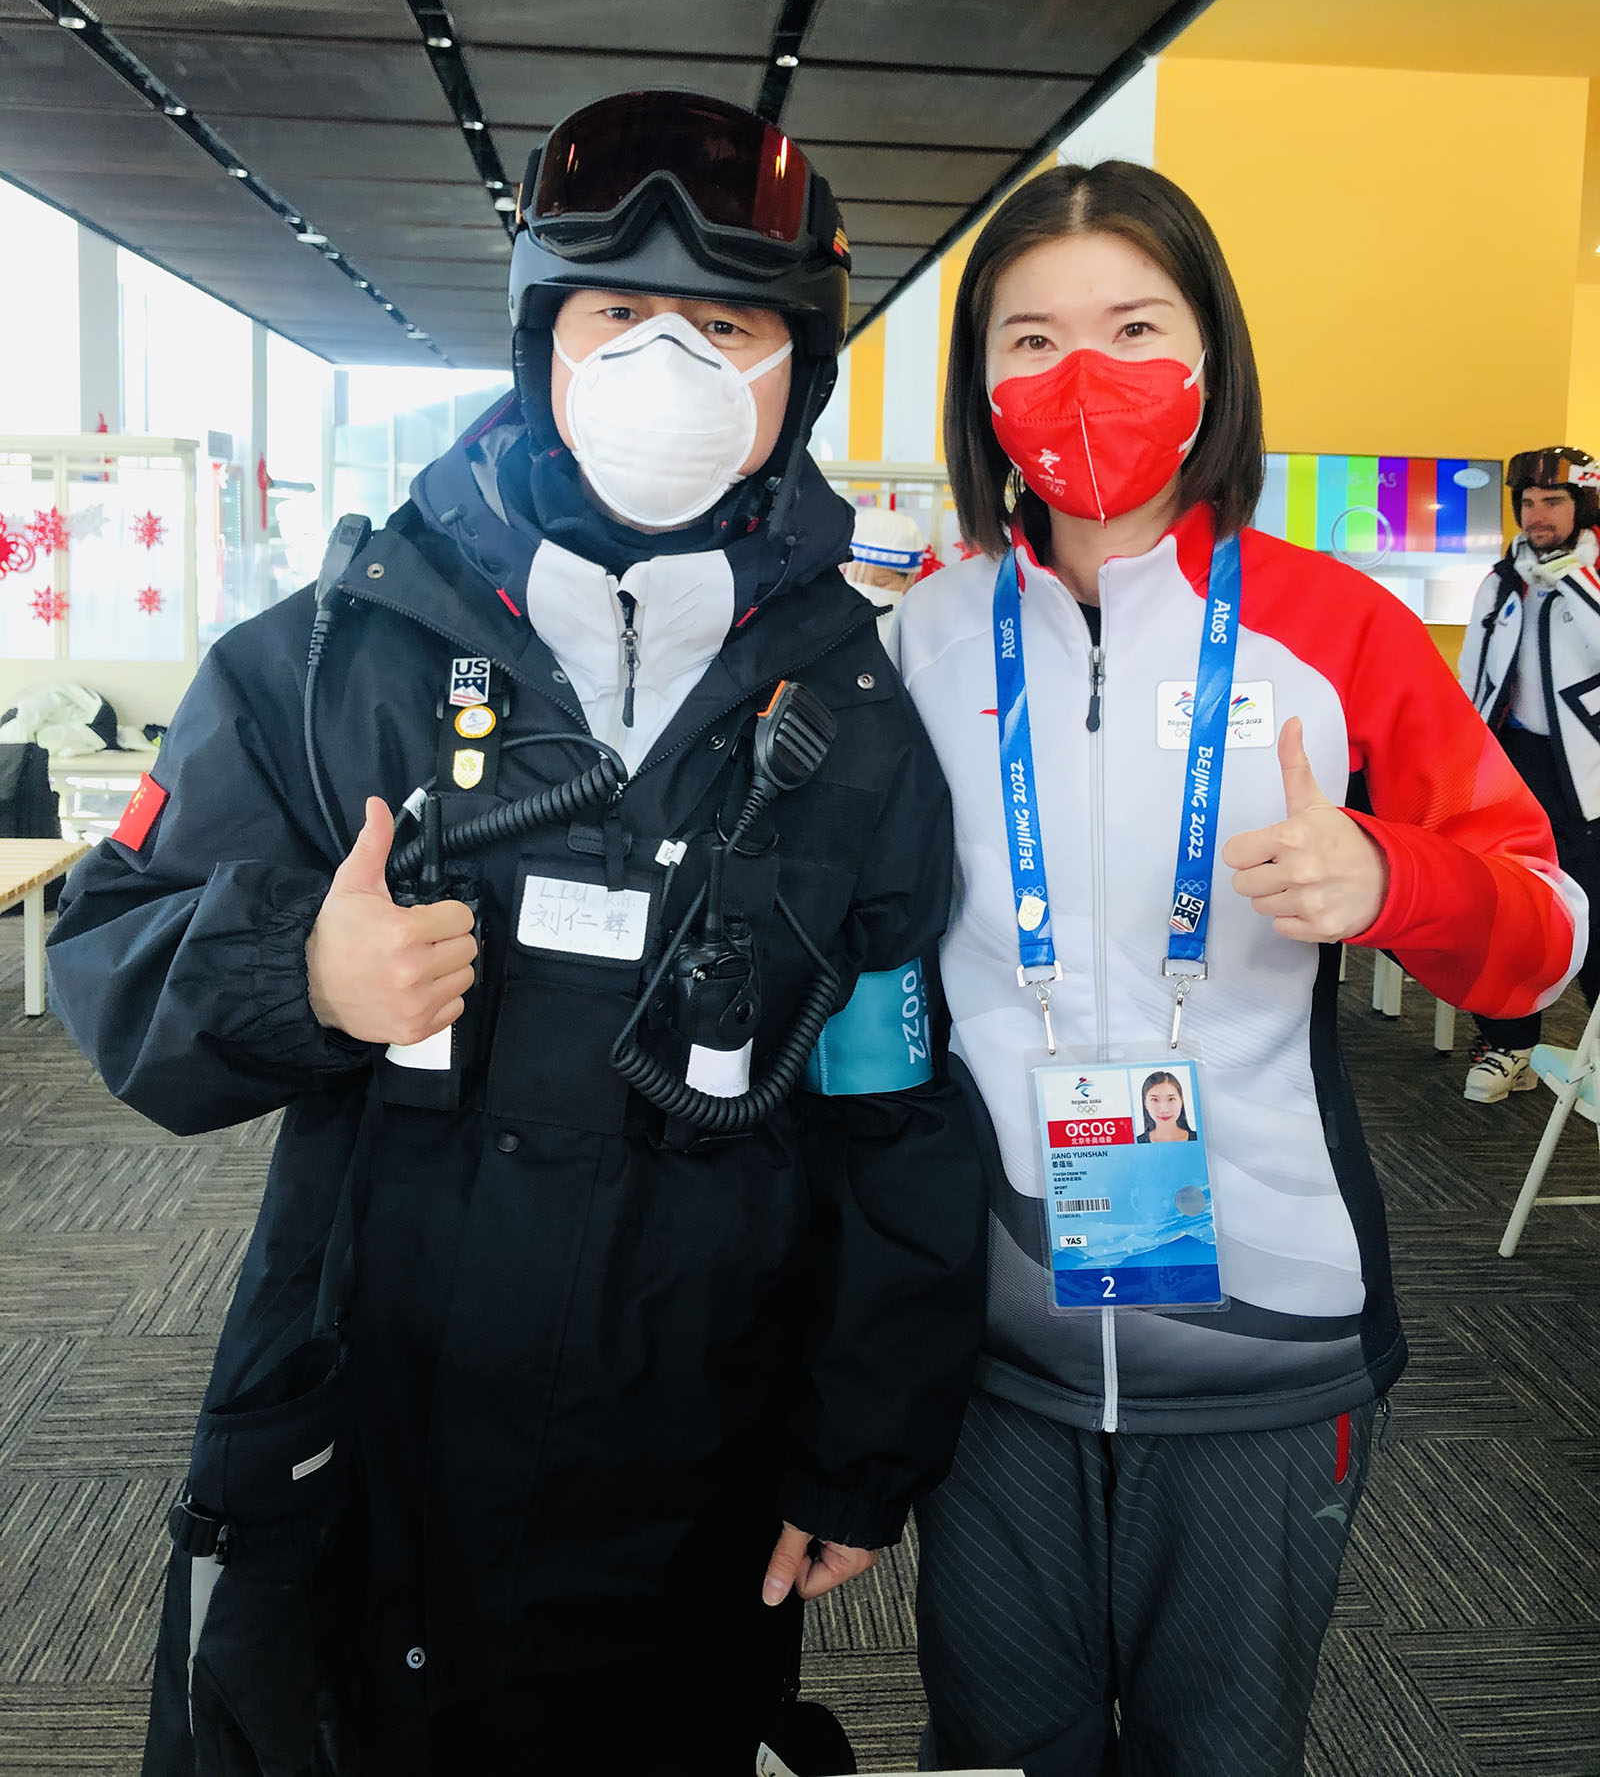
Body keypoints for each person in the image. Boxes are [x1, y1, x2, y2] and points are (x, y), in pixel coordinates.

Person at [47, 90, 986, 1777]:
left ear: (800, 372)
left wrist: (862, 1444)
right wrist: (301, 973)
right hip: (358, 1436)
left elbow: (891, 1107)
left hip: (687, 1456)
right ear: (543, 338)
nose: (665, 361)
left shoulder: (851, 713)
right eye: (619, 312)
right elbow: (110, 946)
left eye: (724, 325)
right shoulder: (342, 650)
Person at [892, 160, 1585, 1777]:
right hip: (983, 1327)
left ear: (1210, 353)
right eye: (1032, 337)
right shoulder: (920, 640)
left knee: (1221, 1747)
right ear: (980, 381)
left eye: (1134, 326)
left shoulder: (1333, 629)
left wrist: (1392, 875)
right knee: (995, 1743)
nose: (1083, 373)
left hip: (1268, 1322)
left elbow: (1550, 924)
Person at [1458, 446, 1600, 1101]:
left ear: (1583, 507)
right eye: (1528, 502)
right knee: (1504, 912)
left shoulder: (1589, 575)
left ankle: (1593, 1049)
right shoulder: (1502, 579)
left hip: (1586, 780)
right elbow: (1474, 670)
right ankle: (1508, 1043)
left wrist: (1573, 579)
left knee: (1594, 915)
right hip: (1511, 766)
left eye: (1553, 501)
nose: (1537, 515)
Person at [844, 503, 928, 640]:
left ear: (910, 581)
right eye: (856, 577)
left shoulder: (920, 632)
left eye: (880, 582)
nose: (865, 590)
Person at [1135, 1069, 1194, 1143]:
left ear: (1181, 1100)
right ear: (1145, 1103)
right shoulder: (1137, 1143)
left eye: (1171, 1099)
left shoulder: (1199, 1138)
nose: (1164, 1109)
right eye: (1155, 1100)